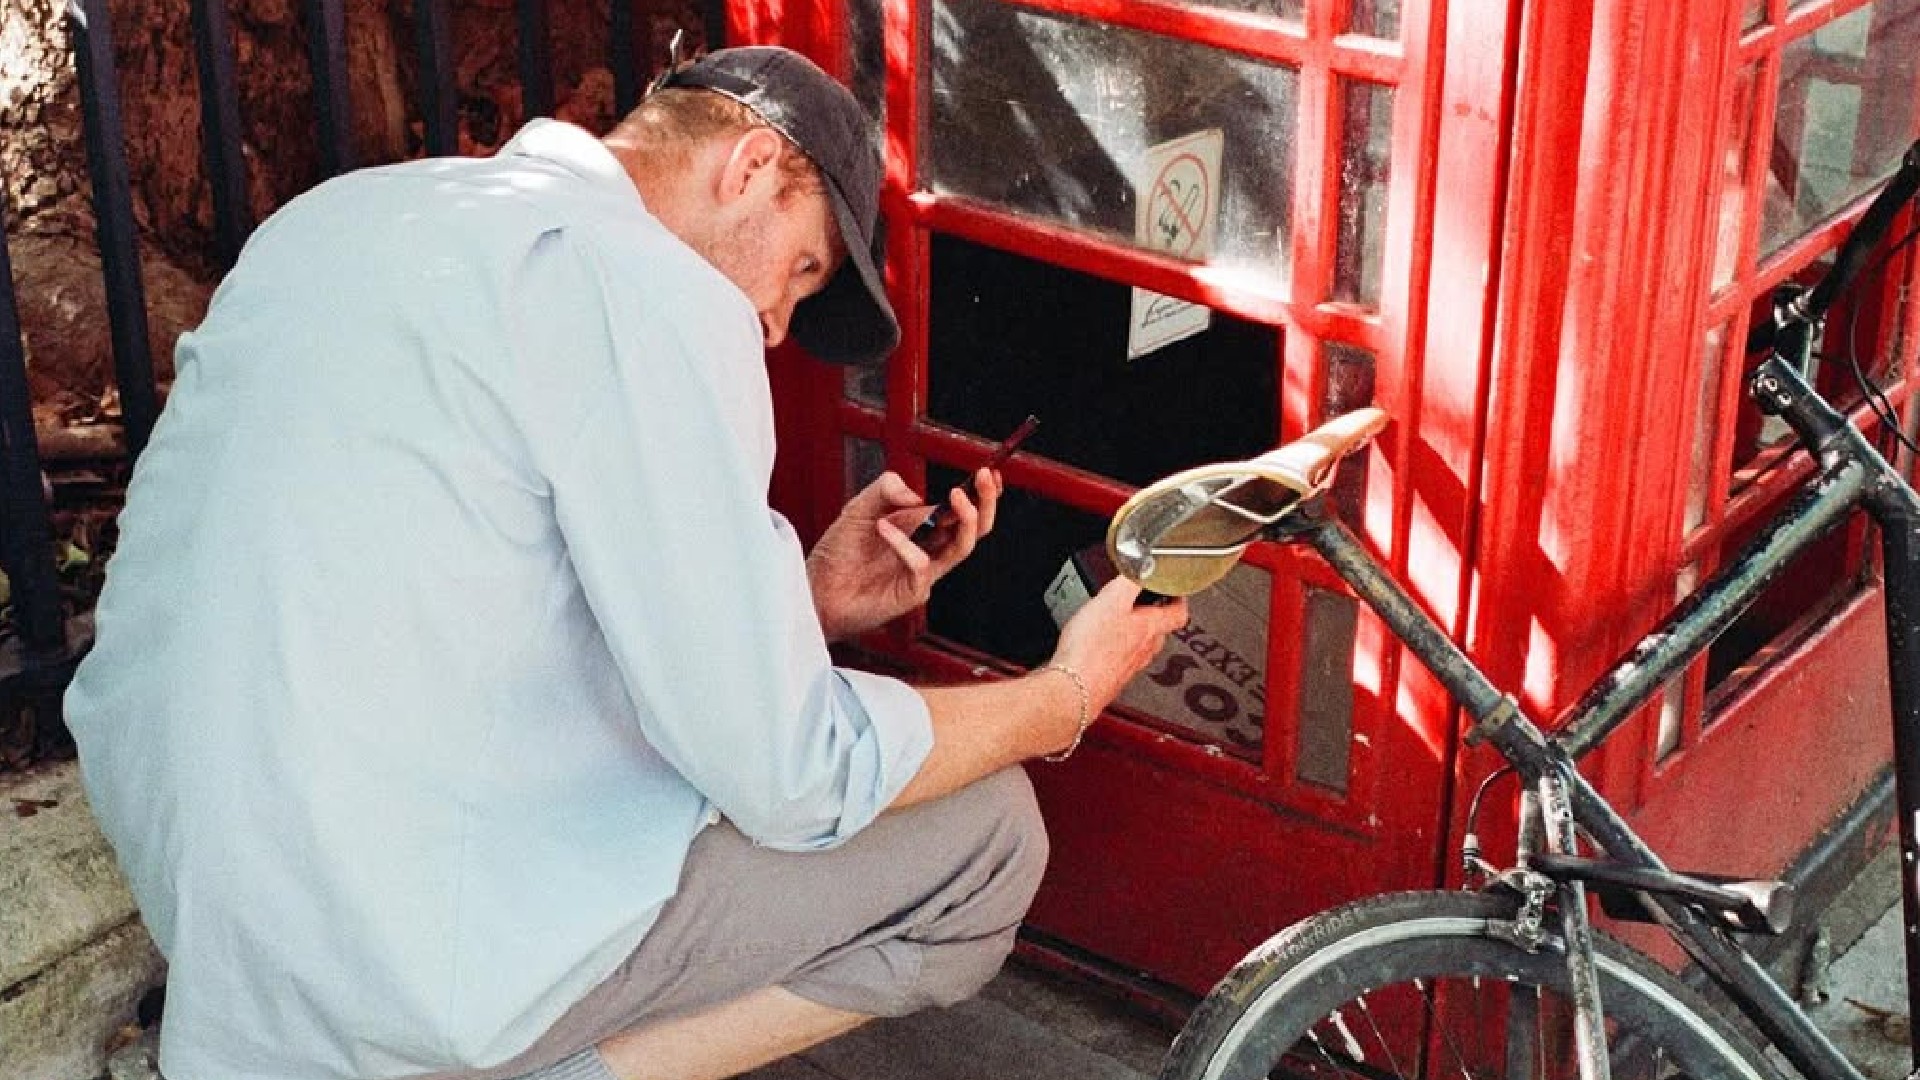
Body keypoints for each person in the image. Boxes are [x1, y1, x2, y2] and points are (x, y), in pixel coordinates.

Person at [63, 45, 1188, 1080]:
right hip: (396, 947)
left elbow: (468, 594)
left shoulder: (347, 215)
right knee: (988, 842)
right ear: (750, 168)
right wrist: (1062, 698)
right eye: (799, 272)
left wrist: (798, 611)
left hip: (206, 890)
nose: (773, 325)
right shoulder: (655, 295)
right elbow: (794, 778)